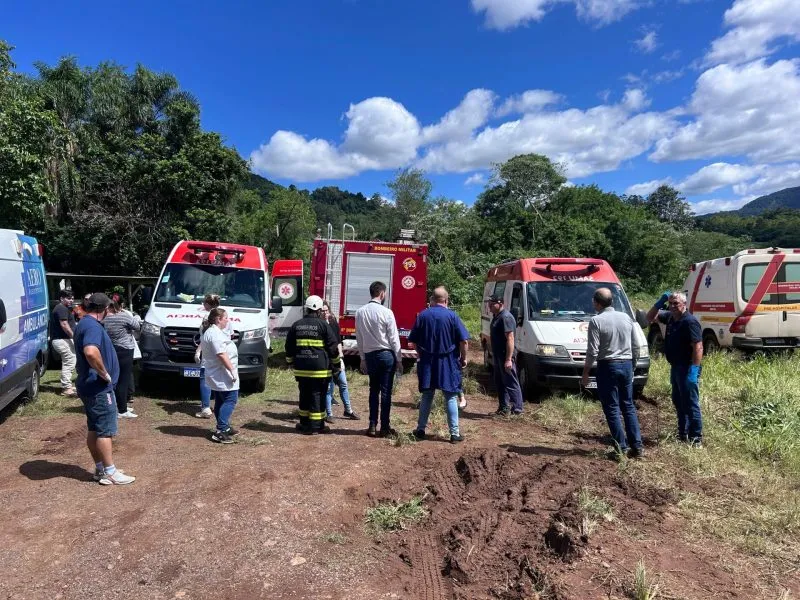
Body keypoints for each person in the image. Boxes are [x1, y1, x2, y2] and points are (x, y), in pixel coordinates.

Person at [74, 293, 135, 485]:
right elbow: (91, 352)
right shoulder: (92, 326)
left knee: (95, 428)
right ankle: (110, 472)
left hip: (88, 386)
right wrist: (104, 373)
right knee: (105, 431)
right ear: (105, 309)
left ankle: (101, 469)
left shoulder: (84, 323)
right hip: (98, 387)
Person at [581, 288, 643, 458]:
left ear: (596, 302)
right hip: (626, 364)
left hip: (608, 365)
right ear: (612, 301)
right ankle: (637, 446)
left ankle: (620, 447)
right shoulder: (626, 318)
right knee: (628, 405)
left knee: (612, 407)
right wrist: (633, 364)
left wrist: (586, 372)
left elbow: (592, 351)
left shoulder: (596, 321)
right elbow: (636, 345)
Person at [409, 287, 469, 443]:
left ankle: (421, 429)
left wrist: (421, 353)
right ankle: (454, 434)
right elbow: (464, 341)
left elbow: (413, 341)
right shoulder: (452, 316)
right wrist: (464, 358)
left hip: (428, 362)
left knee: (427, 396)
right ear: (446, 300)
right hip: (448, 362)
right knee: (450, 396)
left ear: (432, 300)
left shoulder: (422, 315)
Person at [647, 291, 704, 447]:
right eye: (670, 303)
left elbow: (698, 347)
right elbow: (649, 317)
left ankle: (696, 438)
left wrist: (693, 371)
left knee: (690, 402)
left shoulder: (689, 322)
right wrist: (660, 302)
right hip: (675, 366)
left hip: (687, 367)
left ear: (684, 304)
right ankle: (683, 432)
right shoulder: (671, 317)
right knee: (678, 401)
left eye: (676, 303)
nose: (672, 306)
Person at [285, 295, 342, 434]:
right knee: (318, 396)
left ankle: (304, 424)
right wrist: (336, 365)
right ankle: (317, 426)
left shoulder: (296, 325)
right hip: (320, 371)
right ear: (318, 309)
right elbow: (333, 347)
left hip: (301, 370)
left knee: (304, 395)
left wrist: (290, 362)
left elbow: (289, 347)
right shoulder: (324, 325)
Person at [355, 281, 402, 437]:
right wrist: (399, 359)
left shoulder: (360, 312)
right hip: (386, 355)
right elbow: (394, 338)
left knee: (373, 391)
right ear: (382, 294)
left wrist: (362, 358)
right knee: (386, 392)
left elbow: (359, 338)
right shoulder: (387, 312)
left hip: (370, 356)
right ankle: (385, 427)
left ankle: (372, 425)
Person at [200, 308, 240, 443]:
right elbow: (221, 354)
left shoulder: (213, 332)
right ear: (219, 319)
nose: (228, 320)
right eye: (226, 318)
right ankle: (220, 430)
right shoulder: (214, 334)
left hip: (218, 372)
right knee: (231, 399)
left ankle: (225, 427)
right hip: (222, 372)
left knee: (220, 400)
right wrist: (232, 370)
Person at [194, 294, 233, 419]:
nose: (202, 305)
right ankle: (221, 405)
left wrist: (198, 351)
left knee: (204, 378)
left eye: (204, 303)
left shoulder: (208, 318)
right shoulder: (225, 316)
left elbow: (206, 337)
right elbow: (230, 336)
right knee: (220, 377)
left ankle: (206, 407)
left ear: (207, 304)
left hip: (210, 352)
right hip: (225, 350)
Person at [103, 294, 141, 419]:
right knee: (123, 380)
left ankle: (118, 405)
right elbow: (137, 326)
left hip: (113, 349)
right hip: (126, 349)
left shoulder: (105, 318)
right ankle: (122, 410)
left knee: (115, 378)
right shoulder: (124, 316)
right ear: (122, 305)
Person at [321, 300, 359, 422]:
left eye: (326, 310)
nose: (325, 313)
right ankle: (329, 413)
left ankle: (348, 410)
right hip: (325, 361)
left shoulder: (333, 322)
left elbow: (338, 341)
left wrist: (341, 356)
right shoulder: (319, 325)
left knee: (343, 384)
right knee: (328, 387)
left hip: (336, 359)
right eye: (322, 311)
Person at [487, 294, 524, 415]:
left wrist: (508, 359)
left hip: (505, 356)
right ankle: (504, 407)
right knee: (499, 382)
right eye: (489, 304)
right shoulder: (496, 316)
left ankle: (518, 409)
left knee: (511, 382)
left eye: (492, 304)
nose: (490, 306)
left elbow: (510, 338)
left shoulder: (506, 317)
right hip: (498, 356)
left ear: (501, 303)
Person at [51, 289, 78, 397]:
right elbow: (64, 325)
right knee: (69, 361)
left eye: (72, 298)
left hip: (63, 339)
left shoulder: (64, 308)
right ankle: (66, 388)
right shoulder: (61, 308)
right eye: (68, 298)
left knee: (70, 360)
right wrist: (74, 337)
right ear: (61, 298)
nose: (71, 300)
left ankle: (68, 385)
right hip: (61, 339)